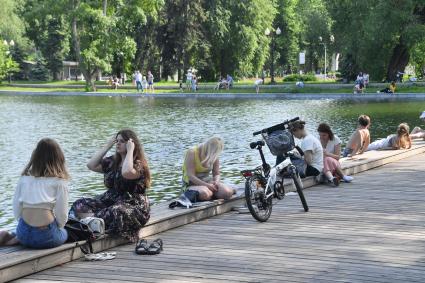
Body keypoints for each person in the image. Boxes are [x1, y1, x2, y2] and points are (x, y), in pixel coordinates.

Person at [70, 130, 150, 242]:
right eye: (117, 141)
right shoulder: (112, 161)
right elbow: (91, 165)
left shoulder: (138, 164)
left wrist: (131, 151)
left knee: (116, 211)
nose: (118, 143)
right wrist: (107, 146)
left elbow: (126, 172)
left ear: (131, 144)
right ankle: (92, 224)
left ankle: (89, 223)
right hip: (110, 201)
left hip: (132, 205)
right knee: (80, 204)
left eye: (122, 141)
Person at [0, 138, 70, 249]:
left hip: (23, 231)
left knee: (22, 231)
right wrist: (59, 227)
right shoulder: (59, 182)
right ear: (59, 158)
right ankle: (19, 237)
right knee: (65, 233)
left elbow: (16, 207)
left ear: (35, 157)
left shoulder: (24, 178)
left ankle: (15, 236)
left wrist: (24, 224)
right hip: (45, 235)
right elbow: (62, 214)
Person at [182, 137, 236, 201]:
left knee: (227, 193)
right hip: (191, 183)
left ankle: (224, 190)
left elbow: (216, 173)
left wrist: (216, 181)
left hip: (208, 181)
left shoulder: (214, 154)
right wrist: (207, 185)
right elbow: (191, 176)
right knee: (205, 194)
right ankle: (208, 193)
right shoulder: (192, 152)